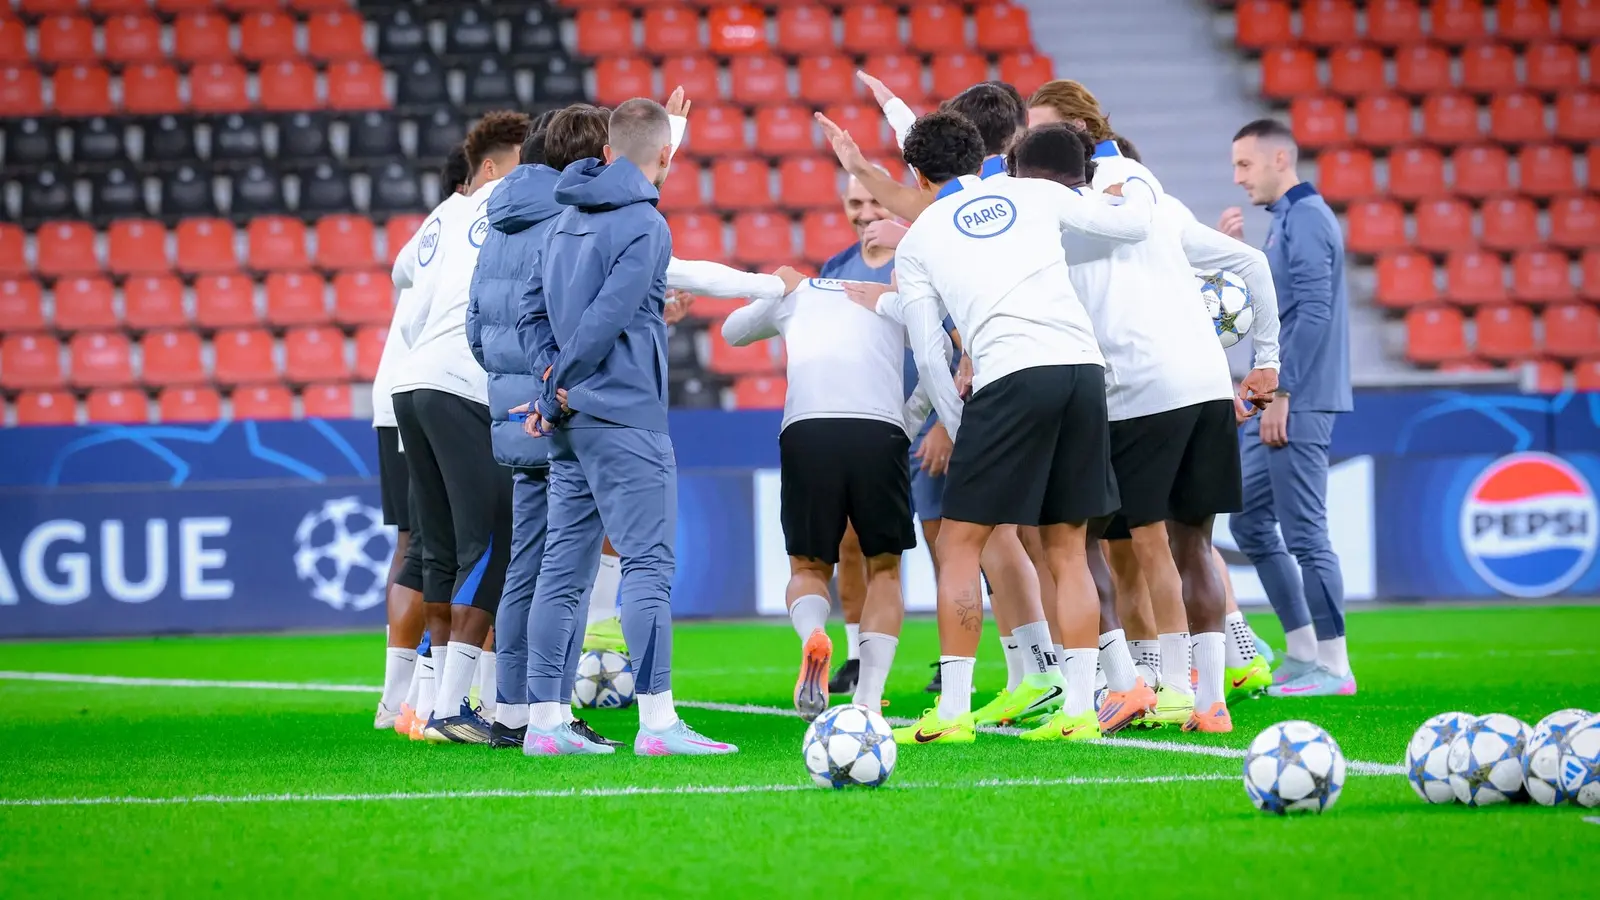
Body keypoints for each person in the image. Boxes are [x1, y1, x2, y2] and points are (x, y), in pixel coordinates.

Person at [847, 110, 1156, 745]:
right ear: (984, 158)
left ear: (915, 174)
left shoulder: (922, 237)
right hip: (1080, 369)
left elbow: (932, 352)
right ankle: (1077, 712)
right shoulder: (1032, 191)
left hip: (1011, 375)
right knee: (1069, 546)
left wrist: (961, 424)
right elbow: (1131, 225)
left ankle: (954, 712)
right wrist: (1122, 173)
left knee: (960, 545)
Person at [1008, 122, 1282, 735]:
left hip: (1135, 391)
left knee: (1079, 542)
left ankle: (1143, 687)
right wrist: (1267, 361)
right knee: (1195, 546)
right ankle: (1209, 701)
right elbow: (1251, 261)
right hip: (1208, 384)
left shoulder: (1053, 224)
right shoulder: (1156, 200)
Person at [820, 79, 1064, 724]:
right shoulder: (1017, 195)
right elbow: (924, 184)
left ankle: (988, 693)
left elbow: (936, 334)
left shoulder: (939, 226)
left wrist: (945, 421)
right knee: (1040, 540)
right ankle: (1052, 674)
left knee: (989, 542)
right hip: (1062, 370)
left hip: (988, 388)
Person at [518, 98, 737, 756]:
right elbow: (609, 318)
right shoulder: (646, 224)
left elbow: (529, 313)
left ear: (608, 150)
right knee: (647, 565)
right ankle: (658, 723)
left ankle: (545, 725)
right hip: (625, 416)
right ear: (665, 157)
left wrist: (551, 386)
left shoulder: (561, 219)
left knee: (562, 572)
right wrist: (559, 384)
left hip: (571, 425)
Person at [722, 269, 938, 720]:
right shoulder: (888, 296)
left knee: (807, 566)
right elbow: (943, 351)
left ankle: (813, 636)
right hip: (880, 430)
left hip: (808, 428)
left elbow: (732, 333)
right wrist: (910, 418)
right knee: (884, 569)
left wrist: (774, 288)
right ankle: (867, 699)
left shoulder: (797, 291)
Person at [389, 111, 528, 744]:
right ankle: (451, 708)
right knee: (492, 540)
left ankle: (426, 705)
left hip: (411, 383)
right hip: (463, 385)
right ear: (497, 167)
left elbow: (401, 278)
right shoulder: (510, 197)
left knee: (438, 549)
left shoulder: (441, 215)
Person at [1220, 118, 1354, 697]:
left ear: (1281, 159)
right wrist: (1238, 255)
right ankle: (1302, 651)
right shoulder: (1286, 224)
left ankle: (1335, 665)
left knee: (1305, 532)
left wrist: (1281, 394)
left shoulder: (1309, 220)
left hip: (1297, 400)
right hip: (1279, 397)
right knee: (1249, 520)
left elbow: (1316, 314)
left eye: (1245, 165)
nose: (1238, 177)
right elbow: (1284, 302)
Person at [373, 148, 470, 736]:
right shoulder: (468, 226)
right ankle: (439, 696)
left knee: (415, 542)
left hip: (398, 390)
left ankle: (398, 700)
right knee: (455, 543)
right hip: (441, 390)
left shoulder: (433, 233)